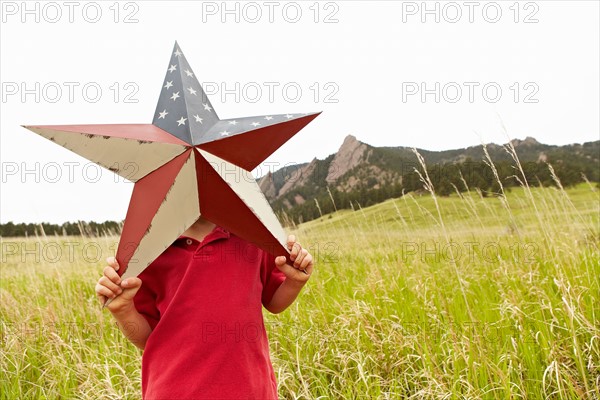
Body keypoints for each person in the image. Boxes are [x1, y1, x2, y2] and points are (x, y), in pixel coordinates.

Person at [95, 216, 314, 399]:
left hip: (250, 390)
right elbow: (147, 338)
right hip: (172, 392)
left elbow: (273, 302)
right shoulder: (147, 250)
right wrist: (124, 311)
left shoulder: (253, 233)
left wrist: (294, 281)